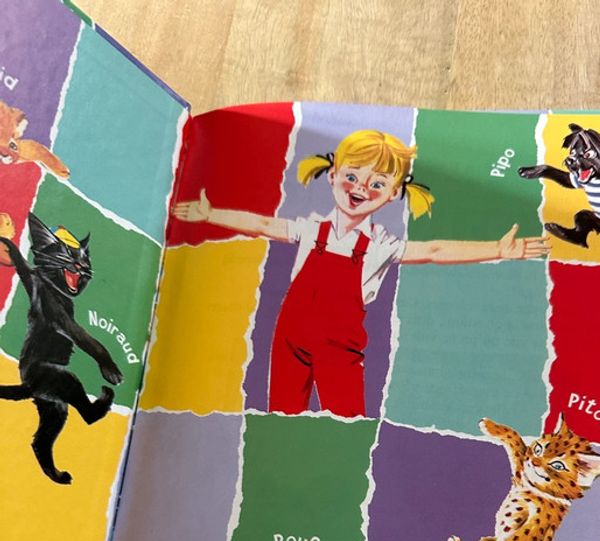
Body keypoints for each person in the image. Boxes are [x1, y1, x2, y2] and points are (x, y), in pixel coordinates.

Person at [173, 129, 548, 418]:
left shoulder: (381, 245)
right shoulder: (310, 229)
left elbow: (434, 251)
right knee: (282, 418)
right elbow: (261, 224)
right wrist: (210, 214)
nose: (361, 189)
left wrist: (497, 250)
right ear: (333, 175)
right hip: (289, 340)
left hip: (340, 349)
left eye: (377, 184)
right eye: (352, 176)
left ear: (393, 193)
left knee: (345, 423)